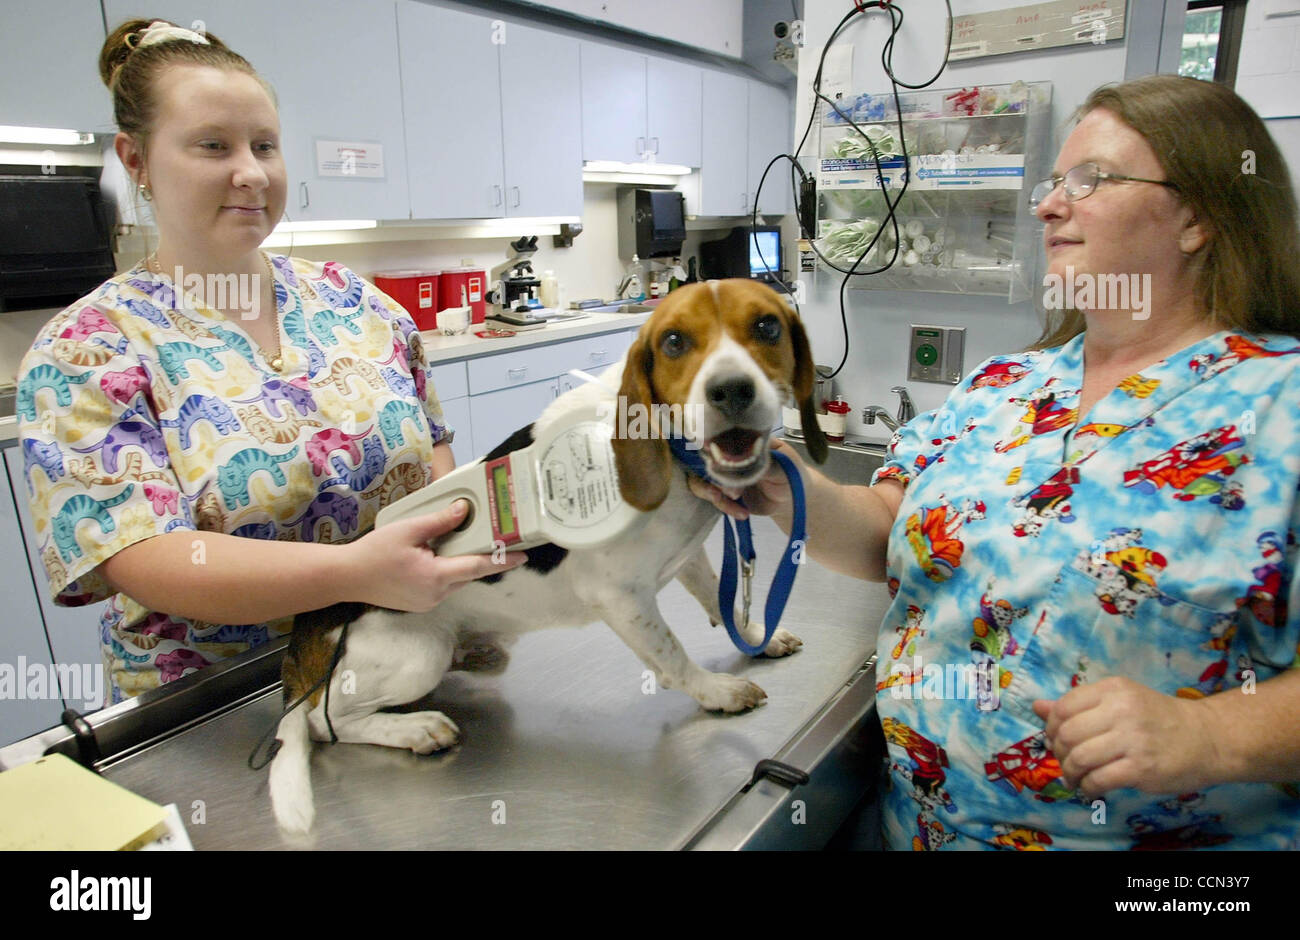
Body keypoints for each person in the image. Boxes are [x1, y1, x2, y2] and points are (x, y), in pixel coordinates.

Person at [693, 74, 1300, 850]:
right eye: (1053, 183)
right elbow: (888, 530)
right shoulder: (1006, 385)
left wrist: (1211, 735)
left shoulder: (1279, 404)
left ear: (1199, 217)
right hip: (916, 831)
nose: (1049, 205)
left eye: (1091, 181)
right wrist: (788, 488)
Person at [16, 19, 521, 704]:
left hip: (396, 660)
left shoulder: (358, 305)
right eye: (213, 146)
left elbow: (432, 462)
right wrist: (351, 573)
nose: (250, 172)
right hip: (218, 703)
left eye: (265, 146)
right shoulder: (87, 350)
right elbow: (146, 557)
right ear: (135, 161)